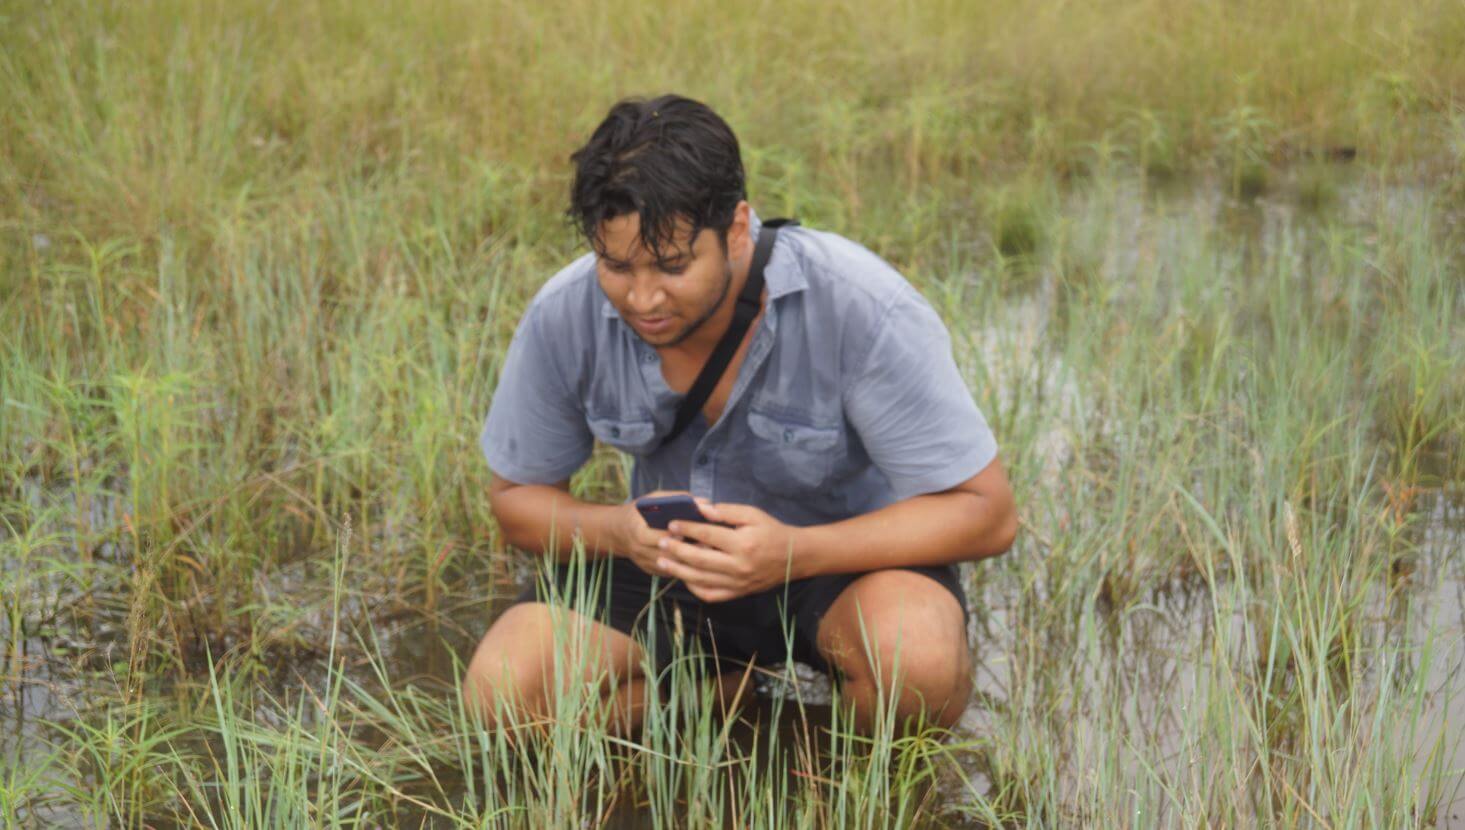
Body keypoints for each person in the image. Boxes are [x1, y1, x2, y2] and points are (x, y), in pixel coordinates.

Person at [463, 94, 1017, 735]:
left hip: (842, 564)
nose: (642, 299)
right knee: (502, 699)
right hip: (668, 566)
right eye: (616, 266)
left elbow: (988, 513)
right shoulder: (565, 313)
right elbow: (516, 502)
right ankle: (729, 698)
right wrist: (620, 531)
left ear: (736, 229)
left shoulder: (862, 305)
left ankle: (840, 775)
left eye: (673, 266)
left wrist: (793, 553)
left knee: (916, 666)